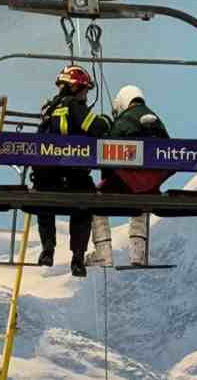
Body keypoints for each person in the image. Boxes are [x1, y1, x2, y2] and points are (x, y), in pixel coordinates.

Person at [35, 65, 110, 278]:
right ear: (76, 87)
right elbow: (96, 128)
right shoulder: (74, 106)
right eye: (85, 90)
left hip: (47, 179)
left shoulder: (48, 110)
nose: (86, 95)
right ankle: (78, 258)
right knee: (84, 207)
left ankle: (47, 249)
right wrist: (106, 120)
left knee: (44, 204)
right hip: (75, 175)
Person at [86, 85, 170, 268]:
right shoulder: (158, 121)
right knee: (142, 204)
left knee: (94, 202)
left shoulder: (125, 120)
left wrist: (108, 177)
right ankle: (138, 254)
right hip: (151, 185)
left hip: (129, 181)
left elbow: (109, 152)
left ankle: (103, 253)